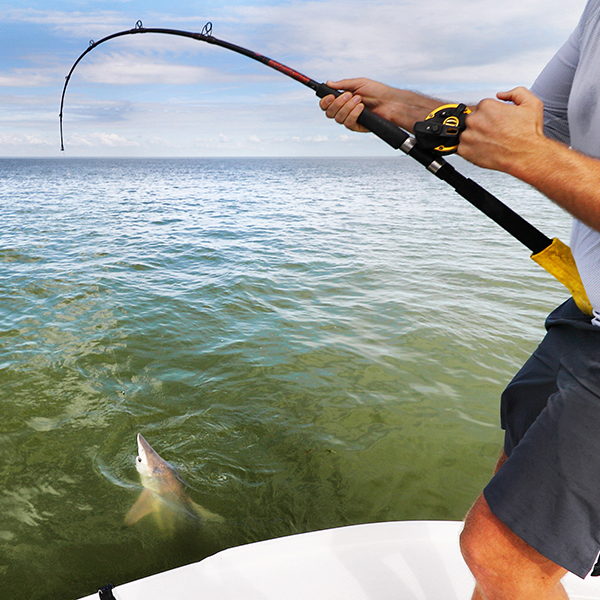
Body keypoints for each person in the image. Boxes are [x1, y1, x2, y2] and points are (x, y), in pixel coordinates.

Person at [320, 1, 600, 599]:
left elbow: (530, 147)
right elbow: (537, 125)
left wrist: (527, 157)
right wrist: (402, 108)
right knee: (512, 486)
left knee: (500, 552)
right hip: (587, 317)